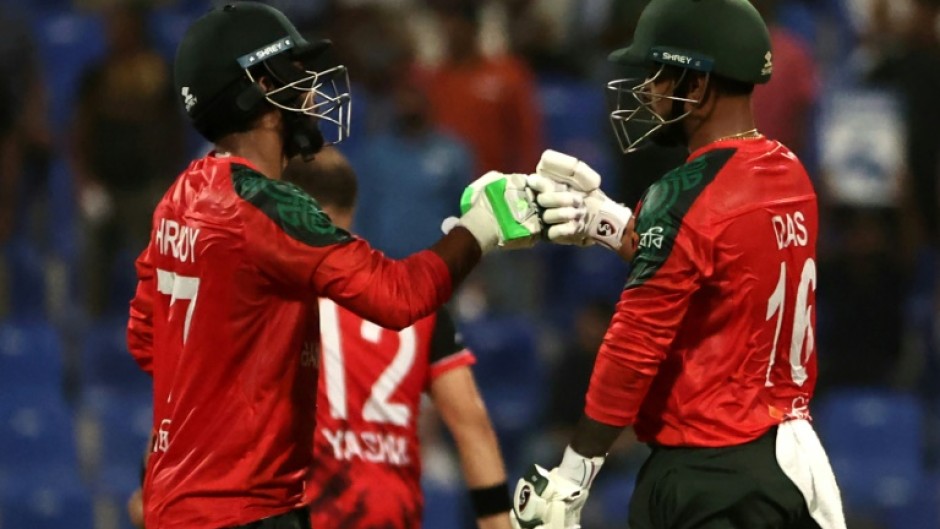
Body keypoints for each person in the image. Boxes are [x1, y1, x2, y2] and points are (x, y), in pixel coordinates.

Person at [126, 3, 540, 528]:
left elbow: (146, 339)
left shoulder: (179, 197)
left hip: (176, 504)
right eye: (293, 75)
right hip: (248, 507)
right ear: (257, 89)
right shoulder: (266, 204)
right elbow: (398, 297)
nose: (308, 90)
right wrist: (482, 225)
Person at [511, 1, 847, 528]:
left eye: (659, 74)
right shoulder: (790, 174)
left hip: (710, 474)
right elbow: (717, 265)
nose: (647, 89)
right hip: (788, 461)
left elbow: (634, 344)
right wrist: (612, 226)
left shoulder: (684, 193)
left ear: (697, 85)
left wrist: (574, 475)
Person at [280, 147, 513, 529]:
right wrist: (498, 523)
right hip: (390, 514)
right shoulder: (413, 302)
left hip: (308, 514)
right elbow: (471, 423)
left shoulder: (273, 296)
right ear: (353, 210)